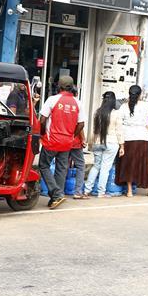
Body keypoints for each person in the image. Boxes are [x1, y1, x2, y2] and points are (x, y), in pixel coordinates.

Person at [38, 76, 86, 209]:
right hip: (67, 142)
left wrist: (42, 133)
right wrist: (72, 135)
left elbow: (42, 120)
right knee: (61, 169)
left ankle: (56, 194)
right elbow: (81, 124)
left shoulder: (52, 100)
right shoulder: (78, 103)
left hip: (52, 141)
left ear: (59, 86)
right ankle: (56, 196)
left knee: (44, 165)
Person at [117, 85, 148, 197]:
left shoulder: (123, 107)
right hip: (142, 137)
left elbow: (118, 122)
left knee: (129, 164)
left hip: (128, 138)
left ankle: (129, 191)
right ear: (140, 95)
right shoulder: (145, 105)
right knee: (144, 164)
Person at [84, 91, 122, 198]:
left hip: (98, 142)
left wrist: (91, 143)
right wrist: (122, 145)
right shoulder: (116, 114)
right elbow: (119, 131)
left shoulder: (97, 112)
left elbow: (95, 130)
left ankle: (87, 190)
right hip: (111, 142)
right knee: (105, 168)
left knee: (96, 166)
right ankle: (101, 192)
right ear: (113, 101)